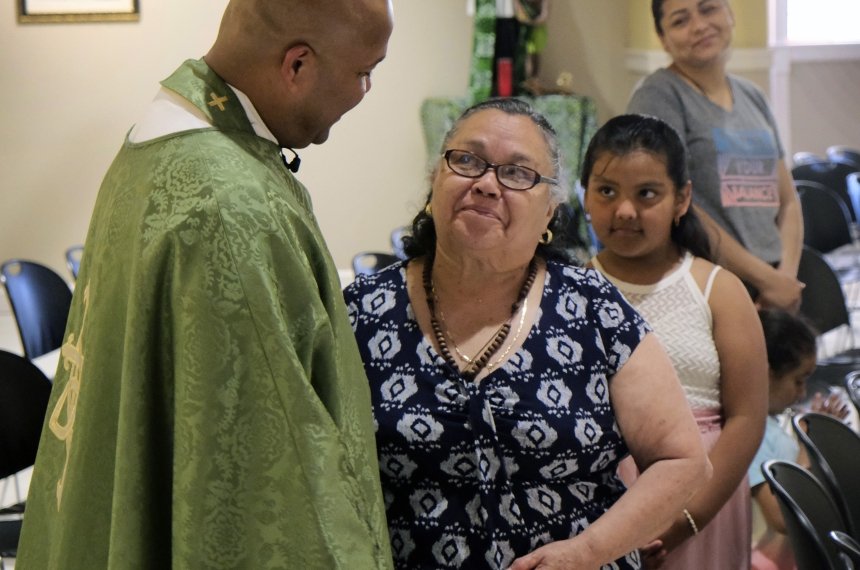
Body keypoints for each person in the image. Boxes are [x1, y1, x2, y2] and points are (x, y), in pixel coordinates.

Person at [15, 1, 395, 568]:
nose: (366, 92)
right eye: (365, 71)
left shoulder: (154, 144)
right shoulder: (229, 208)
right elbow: (273, 476)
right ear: (297, 66)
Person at [344, 98, 711, 569]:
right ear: (435, 179)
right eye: (467, 161)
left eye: (518, 173)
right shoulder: (365, 310)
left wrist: (587, 552)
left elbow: (683, 461)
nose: (486, 184)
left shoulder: (592, 308)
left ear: (550, 213)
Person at [583, 113, 768, 569]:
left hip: (703, 497)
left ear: (681, 198)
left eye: (646, 194)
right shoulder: (569, 288)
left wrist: (687, 517)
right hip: (599, 496)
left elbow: (747, 416)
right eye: (607, 191)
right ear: (584, 194)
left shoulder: (718, 289)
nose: (625, 210)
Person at [627, 0, 804, 312]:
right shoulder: (658, 96)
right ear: (663, 38)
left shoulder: (752, 95)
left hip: (776, 288)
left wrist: (785, 278)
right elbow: (677, 203)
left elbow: (788, 201)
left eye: (708, 9)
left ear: (730, 14)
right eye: (680, 21)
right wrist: (765, 279)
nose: (699, 26)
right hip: (711, 288)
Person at [749, 308, 851, 570]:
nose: (803, 392)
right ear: (767, 373)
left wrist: (821, 440)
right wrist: (807, 445)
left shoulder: (770, 425)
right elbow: (782, 517)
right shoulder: (751, 435)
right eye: (798, 380)